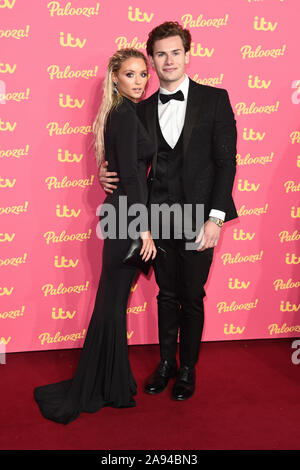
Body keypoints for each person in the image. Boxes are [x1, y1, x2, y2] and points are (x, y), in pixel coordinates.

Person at [99, 22, 238, 401]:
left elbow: (226, 164)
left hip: (199, 217)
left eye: (175, 52)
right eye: (160, 54)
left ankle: (188, 368)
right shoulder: (139, 109)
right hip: (157, 217)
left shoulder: (215, 99)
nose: (168, 60)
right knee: (165, 293)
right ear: (153, 60)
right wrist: (104, 172)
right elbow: (127, 160)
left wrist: (216, 218)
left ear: (187, 55)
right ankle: (166, 363)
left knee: (192, 295)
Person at [33, 48, 157, 424]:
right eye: (130, 75)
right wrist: (145, 227)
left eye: (142, 74)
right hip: (127, 221)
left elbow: (122, 170)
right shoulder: (122, 115)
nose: (138, 82)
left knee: (113, 302)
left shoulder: (126, 112)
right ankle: (103, 385)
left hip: (122, 215)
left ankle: (111, 381)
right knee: (111, 302)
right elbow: (133, 179)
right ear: (115, 79)